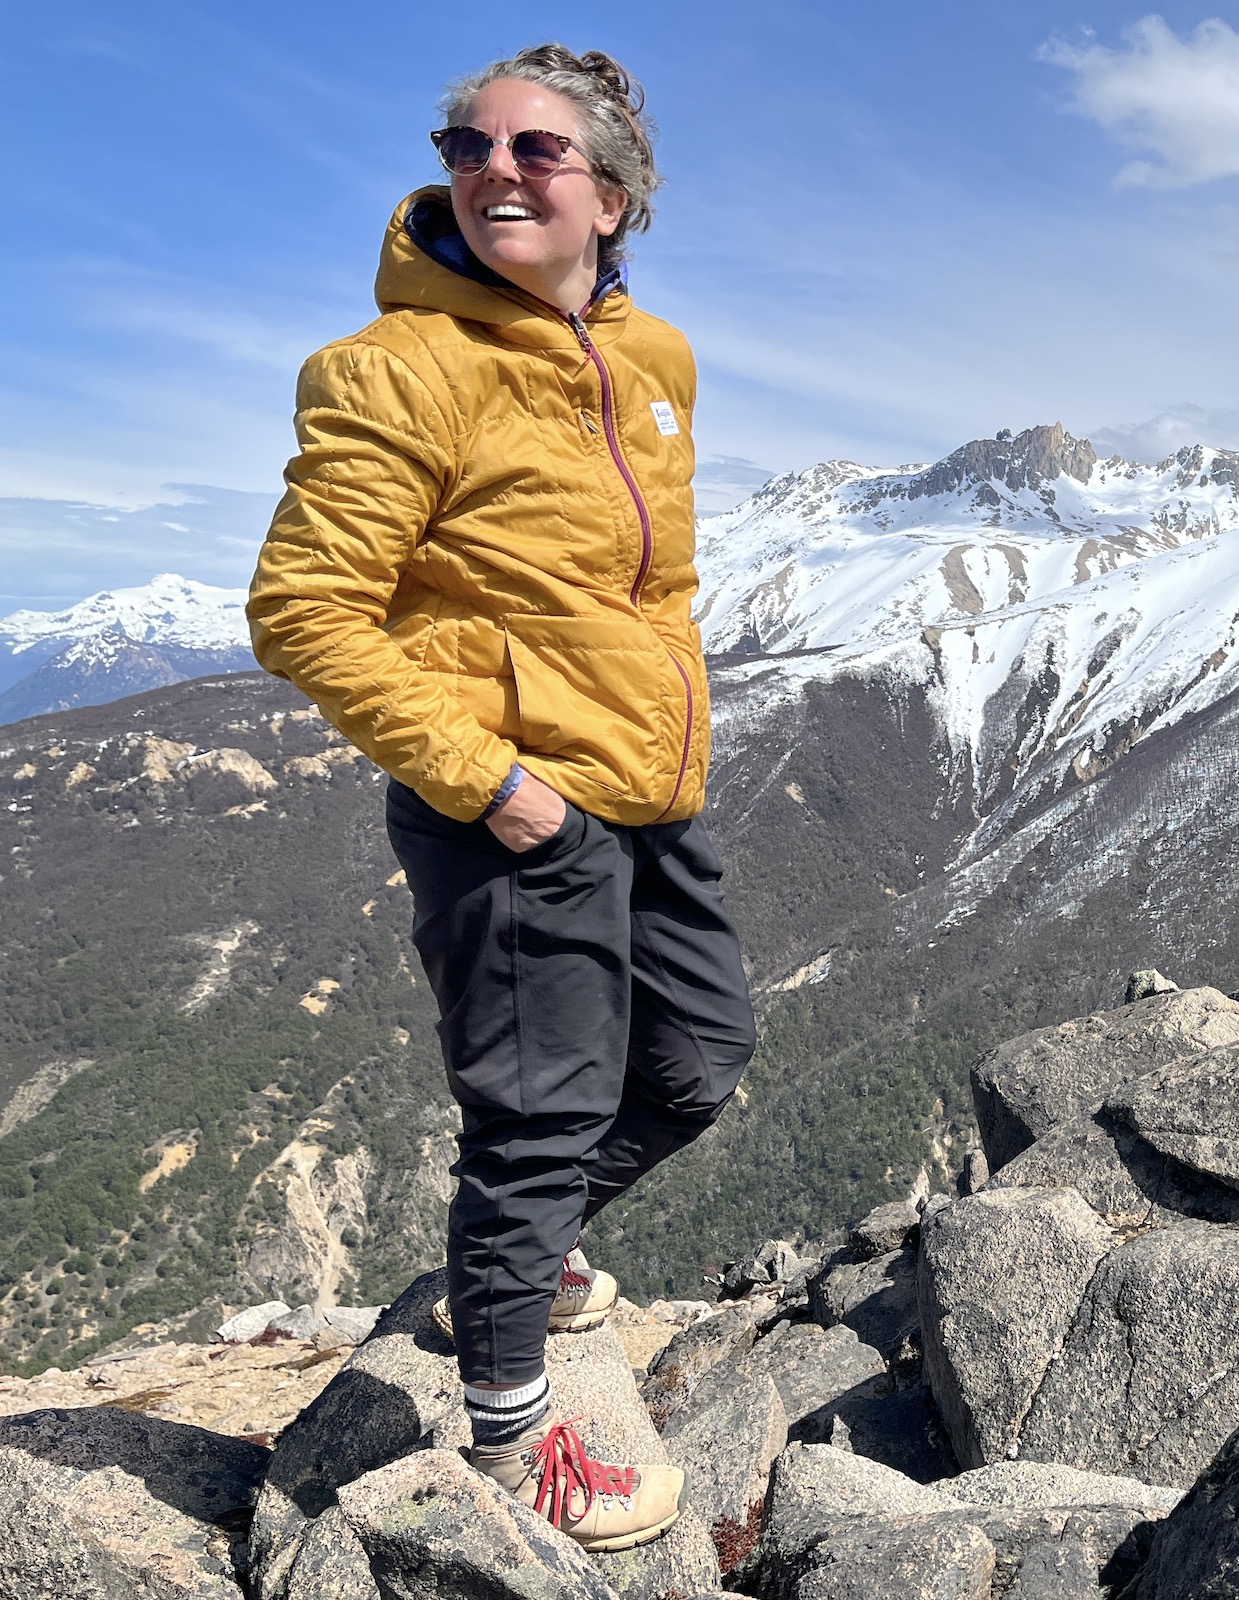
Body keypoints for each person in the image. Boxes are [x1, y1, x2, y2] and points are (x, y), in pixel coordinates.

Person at [248, 44, 753, 1551]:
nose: (495, 169)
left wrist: (655, 749)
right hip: (510, 804)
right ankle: (518, 1433)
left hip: (642, 794)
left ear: (614, 193)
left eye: (537, 149)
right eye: (468, 144)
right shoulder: (398, 369)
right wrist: (499, 786)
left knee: (700, 1062)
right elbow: (304, 610)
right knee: (537, 1123)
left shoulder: (650, 361)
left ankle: (510, 1267)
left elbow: (650, 585)